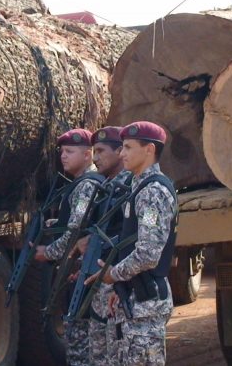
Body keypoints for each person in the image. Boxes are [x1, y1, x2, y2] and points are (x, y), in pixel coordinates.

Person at [86, 121, 178, 366]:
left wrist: (113, 274)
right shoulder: (140, 188)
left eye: (128, 147)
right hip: (136, 297)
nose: (122, 154)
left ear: (149, 150)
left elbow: (149, 253)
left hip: (146, 301)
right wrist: (122, 286)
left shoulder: (152, 192)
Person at [33, 128, 99, 366]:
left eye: (70, 151)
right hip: (82, 271)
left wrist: (48, 252)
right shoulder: (82, 183)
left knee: (82, 346)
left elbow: (75, 231)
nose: (63, 156)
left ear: (87, 155)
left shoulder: (86, 185)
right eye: (62, 151)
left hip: (85, 272)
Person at [87, 126, 132, 366]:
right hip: (102, 275)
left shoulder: (130, 188)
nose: (95, 158)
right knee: (102, 351)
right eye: (94, 151)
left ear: (119, 152)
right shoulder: (106, 187)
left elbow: (132, 236)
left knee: (117, 350)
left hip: (119, 278)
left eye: (101, 151)